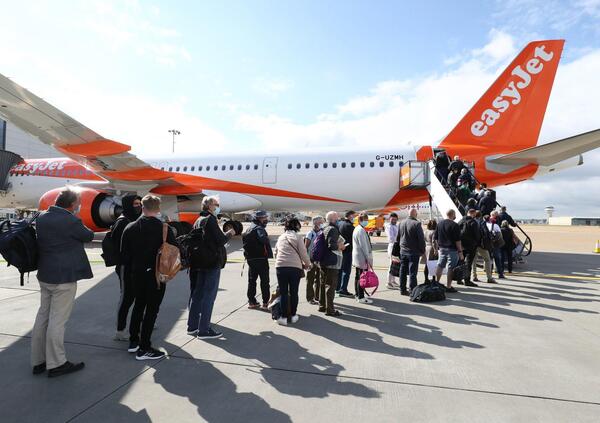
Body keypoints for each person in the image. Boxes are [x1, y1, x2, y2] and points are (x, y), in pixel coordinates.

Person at [31, 188, 94, 377]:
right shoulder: (70, 220)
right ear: (72, 204)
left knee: (43, 317)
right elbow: (88, 236)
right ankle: (57, 363)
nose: (78, 205)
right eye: (78, 203)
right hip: (64, 277)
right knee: (58, 321)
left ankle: (38, 361)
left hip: (45, 274)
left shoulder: (41, 217)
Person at [120, 195, 177, 360]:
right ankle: (144, 347)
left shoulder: (129, 228)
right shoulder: (163, 228)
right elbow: (174, 251)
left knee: (138, 305)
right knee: (152, 310)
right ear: (158, 209)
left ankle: (133, 342)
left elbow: (124, 257)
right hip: (156, 275)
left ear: (142, 207)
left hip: (136, 275)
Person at [187, 196, 235, 339]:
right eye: (216, 204)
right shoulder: (210, 220)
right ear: (209, 206)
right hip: (211, 262)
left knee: (197, 295)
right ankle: (204, 330)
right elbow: (221, 240)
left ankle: (192, 326)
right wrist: (230, 233)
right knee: (209, 296)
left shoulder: (198, 220)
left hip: (199, 262)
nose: (218, 207)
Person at [111, 195, 142, 341]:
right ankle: (120, 329)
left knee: (139, 296)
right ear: (128, 205)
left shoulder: (134, 220)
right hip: (126, 267)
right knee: (127, 298)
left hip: (137, 265)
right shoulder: (122, 222)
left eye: (140, 204)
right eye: (135, 204)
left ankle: (139, 322)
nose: (138, 206)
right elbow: (120, 247)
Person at [274, 217, 311, 325]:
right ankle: (293, 315)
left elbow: (276, 252)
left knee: (284, 293)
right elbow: (303, 253)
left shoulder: (281, 237)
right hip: (294, 268)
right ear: (297, 226)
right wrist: (308, 264)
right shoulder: (298, 237)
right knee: (294, 292)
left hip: (280, 267)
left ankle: (283, 317)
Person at [242, 210, 273, 310]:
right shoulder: (259, 228)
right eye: (264, 218)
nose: (266, 219)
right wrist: (267, 239)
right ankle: (265, 303)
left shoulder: (249, 228)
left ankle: (252, 302)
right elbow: (263, 239)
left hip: (251, 259)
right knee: (264, 281)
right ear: (259, 218)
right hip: (261, 259)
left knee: (252, 281)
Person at [393, 208, 425, 295]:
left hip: (403, 251)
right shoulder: (417, 223)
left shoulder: (401, 223)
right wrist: (422, 250)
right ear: (415, 214)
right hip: (413, 252)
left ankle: (402, 289)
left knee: (402, 271)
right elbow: (421, 239)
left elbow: (398, 238)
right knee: (412, 273)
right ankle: (413, 291)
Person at [319, 211, 344, 317]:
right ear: (333, 219)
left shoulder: (324, 228)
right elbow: (332, 246)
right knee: (331, 285)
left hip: (323, 260)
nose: (338, 219)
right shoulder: (333, 229)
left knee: (323, 283)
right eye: (337, 218)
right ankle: (330, 309)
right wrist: (341, 247)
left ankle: (322, 305)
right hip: (332, 261)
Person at [434, 209, 464, 293]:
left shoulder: (439, 224)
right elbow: (457, 241)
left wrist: (436, 248)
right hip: (452, 250)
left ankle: (437, 282)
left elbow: (435, 237)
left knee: (440, 265)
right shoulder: (455, 225)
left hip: (442, 249)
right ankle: (448, 286)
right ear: (453, 214)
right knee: (451, 267)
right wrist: (460, 252)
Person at [352, 212, 374, 304]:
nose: (367, 221)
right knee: (362, 278)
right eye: (366, 220)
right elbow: (364, 246)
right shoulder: (361, 230)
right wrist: (369, 259)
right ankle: (360, 296)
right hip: (362, 257)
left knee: (358, 276)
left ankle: (358, 294)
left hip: (358, 257)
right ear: (361, 220)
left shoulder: (358, 228)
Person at [458, 209, 481, 287]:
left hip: (461, 245)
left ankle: (459, 278)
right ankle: (467, 280)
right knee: (468, 263)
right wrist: (477, 243)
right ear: (473, 214)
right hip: (470, 245)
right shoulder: (473, 222)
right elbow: (477, 235)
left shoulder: (460, 221)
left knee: (460, 262)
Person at [471, 211, 496, 284]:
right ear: (481, 216)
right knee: (487, 259)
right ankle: (489, 277)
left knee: (474, 261)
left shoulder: (472, 222)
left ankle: (474, 276)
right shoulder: (482, 222)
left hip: (473, 245)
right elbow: (485, 233)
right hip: (480, 245)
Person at [336, 210, 356, 298]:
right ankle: (343, 289)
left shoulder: (339, 224)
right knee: (346, 271)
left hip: (339, 250)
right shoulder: (350, 226)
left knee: (339, 270)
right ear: (350, 216)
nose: (354, 218)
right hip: (347, 251)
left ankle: (337, 287)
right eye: (354, 216)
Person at [304, 216, 323, 305]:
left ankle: (317, 296)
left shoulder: (322, 232)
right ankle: (310, 297)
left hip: (320, 259)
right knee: (310, 279)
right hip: (311, 259)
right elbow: (305, 247)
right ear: (315, 223)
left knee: (319, 279)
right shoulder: (310, 233)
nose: (322, 224)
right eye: (320, 222)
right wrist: (305, 260)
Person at [485, 214, 505, 280]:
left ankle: (489, 274)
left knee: (489, 260)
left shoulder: (484, 225)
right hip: (495, 245)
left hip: (488, 245)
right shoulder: (496, 226)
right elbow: (500, 235)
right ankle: (500, 274)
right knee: (497, 259)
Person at [386, 212, 400, 289]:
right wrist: (398, 239)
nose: (393, 220)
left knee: (395, 265)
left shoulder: (396, 226)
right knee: (392, 264)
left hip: (396, 246)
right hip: (392, 246)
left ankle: (393, 281)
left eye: (395, 219)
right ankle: (388, 282)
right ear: (389, 219)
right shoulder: (389, 227)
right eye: (392, 219)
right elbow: (391, 238)